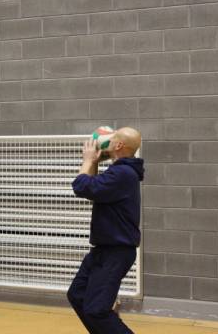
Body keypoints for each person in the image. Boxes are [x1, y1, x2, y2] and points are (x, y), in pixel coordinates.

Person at [67, 127, 144, 334]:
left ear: (119, 145)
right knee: (78, 295)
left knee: (97, 310)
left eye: (112, 138)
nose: (107, 141)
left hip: (116, 252)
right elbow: (92, 190)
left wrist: (87, 159)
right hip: (103, 250)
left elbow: (81, 186)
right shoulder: (120, 171)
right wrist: (94, 162)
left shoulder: (123, 173)